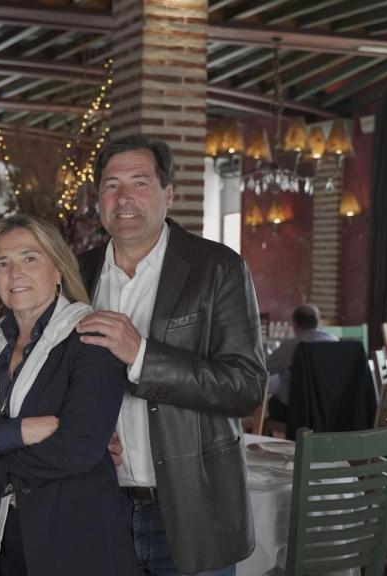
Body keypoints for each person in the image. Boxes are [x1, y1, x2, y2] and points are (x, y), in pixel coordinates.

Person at [75, 135, 267, 575]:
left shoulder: (217, 268)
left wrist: (142, 354)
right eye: (111, 185)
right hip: (98, 505)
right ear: (98, 199)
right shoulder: (76, 272)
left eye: (140, 183)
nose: (124, 197)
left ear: (169, 194)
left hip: (193, 508)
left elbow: (246, 388)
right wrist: (85, 431)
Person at [0, 215, 138, 576]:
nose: (15, 273)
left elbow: (78, 449)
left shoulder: (90, 338)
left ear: (58, 270)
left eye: (30, 258)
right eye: (2, 263)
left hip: (73, 540)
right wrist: (17, 432)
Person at [265, 304, 338, 420]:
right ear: (318, 322)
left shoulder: (292, 346)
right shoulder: (334, 342)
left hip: (295, 410)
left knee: (271, 402)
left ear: (294, 324)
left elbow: (265, 368)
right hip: (328, 408)